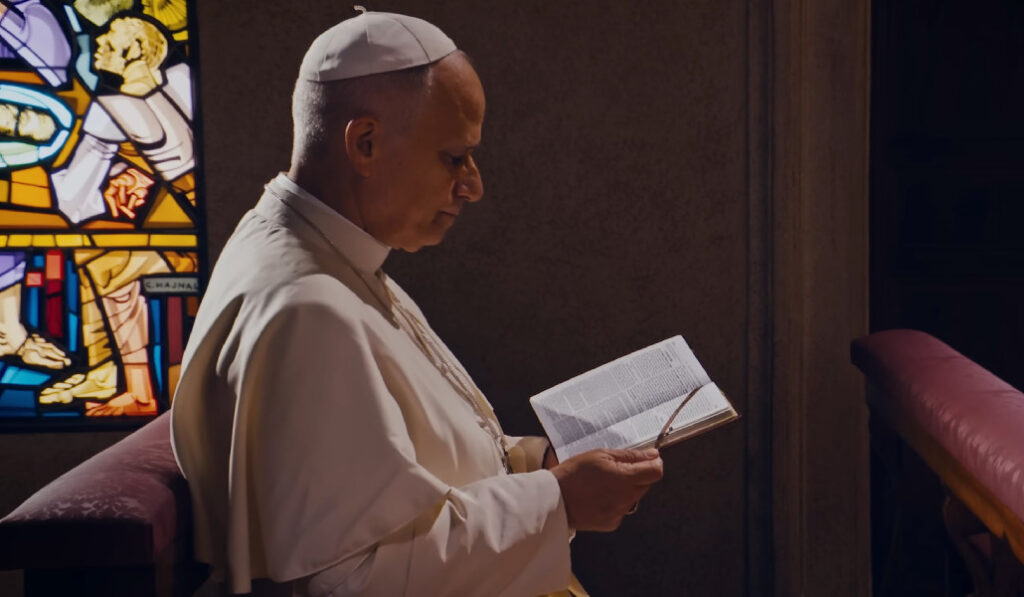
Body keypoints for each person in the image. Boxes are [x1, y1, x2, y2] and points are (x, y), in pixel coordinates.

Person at [171, 10, 663, 597]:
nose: (473, 185)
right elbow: (353, 578)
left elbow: (414, 475)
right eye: (455, 157)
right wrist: (559, 503)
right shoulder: (307, 310)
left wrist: (541, 465)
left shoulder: (319, 248)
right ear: (366, 142)